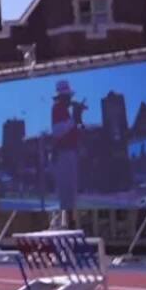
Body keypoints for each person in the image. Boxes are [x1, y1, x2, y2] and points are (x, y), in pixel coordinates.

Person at [50, 81, 85, 212]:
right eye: (67, 96)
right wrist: (74, 119)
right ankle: (66, 220)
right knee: (67, 195)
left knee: (71, 193)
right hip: (63, 154)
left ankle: (69, 218)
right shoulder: (57, 108)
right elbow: (57, 131)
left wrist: (79, 117)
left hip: (70, 153)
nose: (70, 99)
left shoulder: (65, 111)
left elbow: (77, 130)